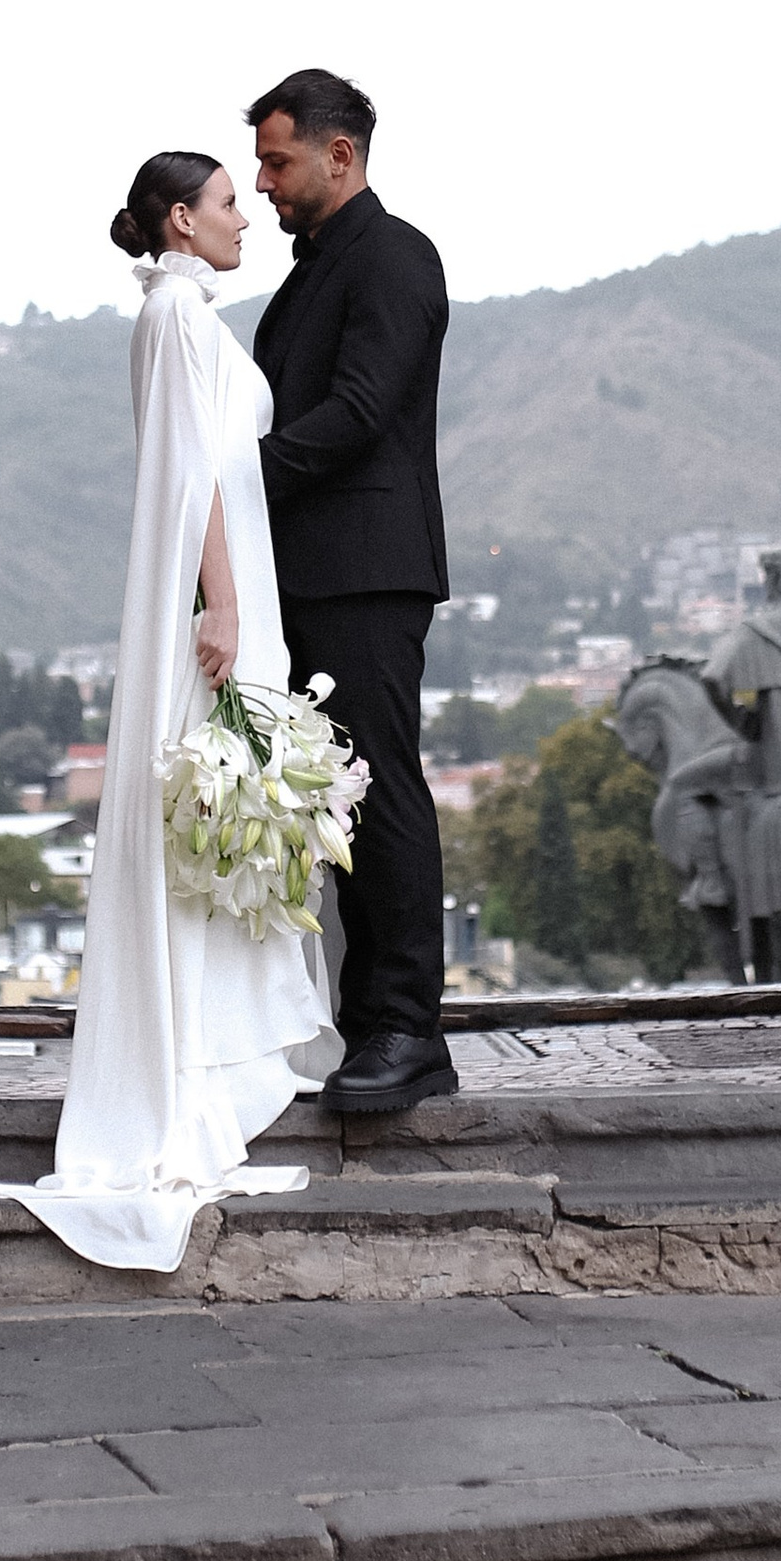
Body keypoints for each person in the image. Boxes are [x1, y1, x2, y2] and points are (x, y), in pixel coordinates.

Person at [0, 150, 331, 1271]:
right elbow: (194, 477)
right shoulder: (177, 317)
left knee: (218, 835)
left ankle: (199, 1062)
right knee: (203, 829)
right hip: (223, 601)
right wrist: (220, 601)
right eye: (230, 204)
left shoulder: (185, 314)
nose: (247, 221)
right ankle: (184, 1080)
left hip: (241, 597)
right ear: (180, 221)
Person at [247, 70, 457, 1113]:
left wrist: (236, 476)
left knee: (380, 791)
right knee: (336, 801)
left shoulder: (395, 255)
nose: (262, 181)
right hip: (313, 569)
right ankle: (365, 1018)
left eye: (277, 161)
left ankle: (408, 1029)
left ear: (341, 155)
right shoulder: (317, 269)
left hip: (367, 569)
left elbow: (364, 408)